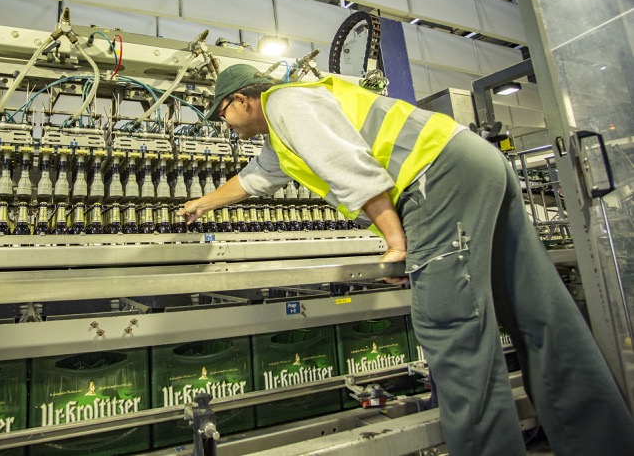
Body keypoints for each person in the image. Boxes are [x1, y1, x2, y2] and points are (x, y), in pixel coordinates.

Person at [178, 63, 634, 455]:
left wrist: (397, 243)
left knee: (452, 329)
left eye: (223, 113)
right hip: (472, 161)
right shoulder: (281, 135)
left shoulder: (285, 104)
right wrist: (201, 204)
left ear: (243, 99)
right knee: (538, 311)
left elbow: (349, 167)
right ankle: (604, 441)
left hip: (438, 176)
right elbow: (255, 179)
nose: (225, 125)